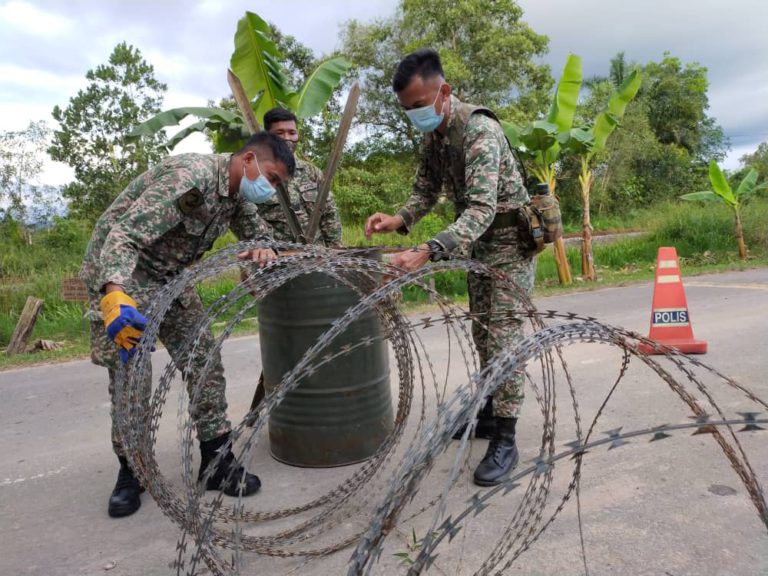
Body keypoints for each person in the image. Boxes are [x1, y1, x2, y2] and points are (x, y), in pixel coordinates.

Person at [80, 132, 295, 517]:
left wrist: (267, 246)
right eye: (273, 178)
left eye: (277, 185)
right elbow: (123, 236)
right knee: (132, 377)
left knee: (205, 364)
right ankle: (132, 472)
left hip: (172, 277)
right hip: (126, 275)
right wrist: (114, 292)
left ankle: (216, 463)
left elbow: (259, 234)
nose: (270, 188)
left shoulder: (236, 197)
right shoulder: (190, 179)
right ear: (248, 160)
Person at [364, 48, 536, 487]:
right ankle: (485, 413)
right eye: (407, 110)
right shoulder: (435, 136)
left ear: (445, 92)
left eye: (419, 106)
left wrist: (426, 250)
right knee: (482, 333)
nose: (414, 115)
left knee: (503, 338)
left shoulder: (480, 131)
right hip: (477, 244)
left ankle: (506, 437)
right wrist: (399, 219)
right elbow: (426, 190)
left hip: (508, 243)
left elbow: (480, 209)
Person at [258, 107, 343, 246]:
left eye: (292, 133)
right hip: (275, 260)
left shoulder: (311, 172)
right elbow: (246, 219)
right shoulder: (255, 176)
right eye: (279, 133)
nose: (287, 138)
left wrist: (335, 249)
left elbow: (329, 213)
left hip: (317, 258)